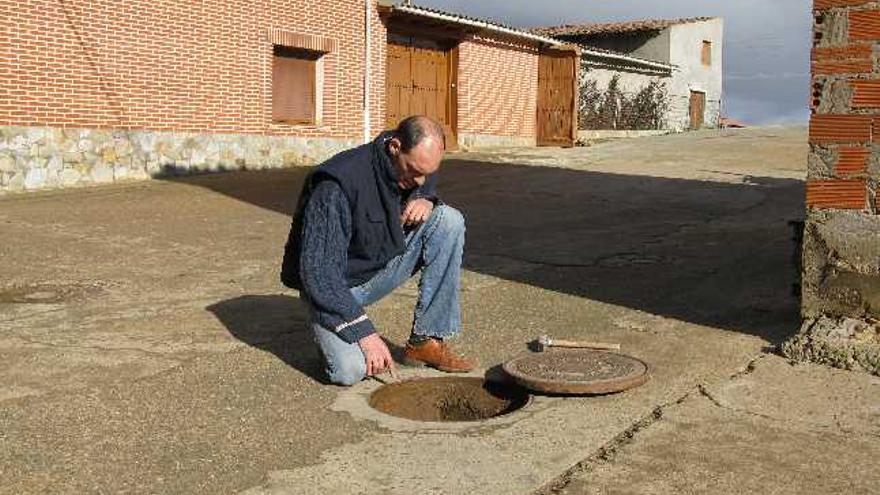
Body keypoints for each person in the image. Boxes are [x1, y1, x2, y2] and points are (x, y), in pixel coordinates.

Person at [281, 115, 476, 386]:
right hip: (332, 288)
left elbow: (423, 175)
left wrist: (425, 198)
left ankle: (426, 342)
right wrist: (365, 332)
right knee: (349, 371)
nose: (420, 180)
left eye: (427, 173)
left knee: (447, 220)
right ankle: (338, 328)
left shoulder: (412, 167)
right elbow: (319, 275)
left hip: (375, 272)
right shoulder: (336, 186)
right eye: (414, 172)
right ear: (394, 147)